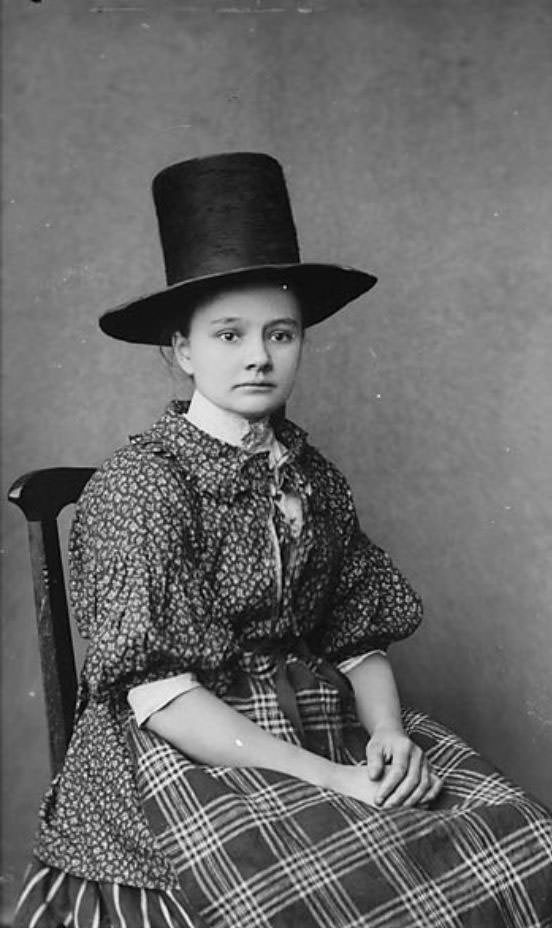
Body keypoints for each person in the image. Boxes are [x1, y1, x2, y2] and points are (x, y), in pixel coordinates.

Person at [14, 153, 552, 928]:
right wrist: (330, 781)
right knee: (327, 899)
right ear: (181, 351)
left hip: (312, 718)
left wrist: (389, 736)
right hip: (186, 747)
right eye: (228, 334)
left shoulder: (312, 477)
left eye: (281, 333)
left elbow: (356, 636)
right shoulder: (143, 487)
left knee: (518, 835)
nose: (259, 355)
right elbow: (161, 696)